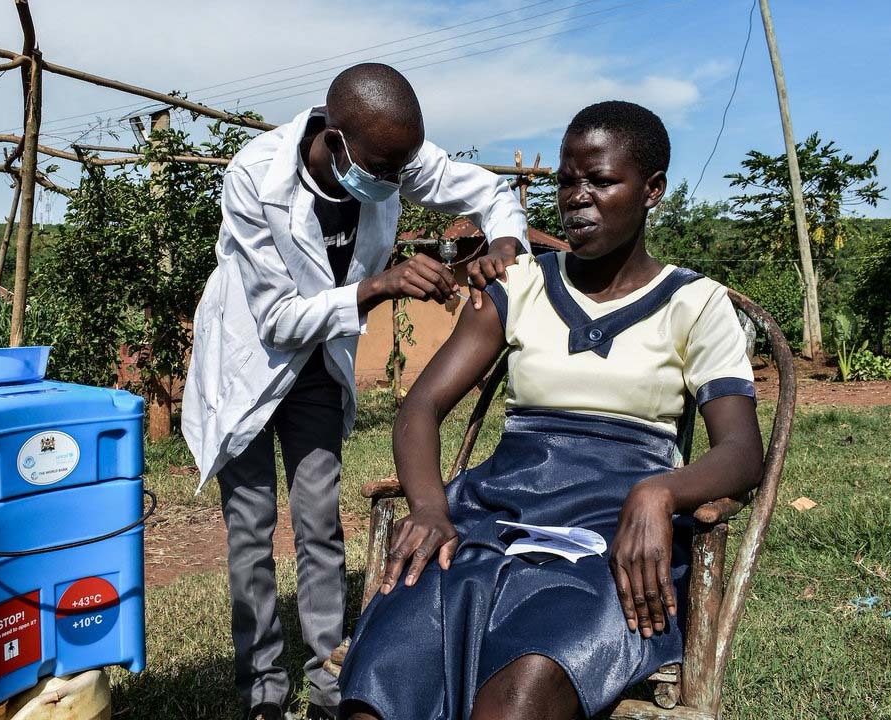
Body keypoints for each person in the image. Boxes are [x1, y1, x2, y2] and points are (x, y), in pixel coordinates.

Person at [337, 101, 765, 720]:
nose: (577, 198)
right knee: (385, 678)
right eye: (567, 181)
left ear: (653, 191)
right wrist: (431, 509)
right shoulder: (520, 285)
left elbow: (741, 452)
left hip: (611, 537)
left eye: (600, 180)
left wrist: (658, 493)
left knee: (524, 690)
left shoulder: (694, 305)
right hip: (495, 514)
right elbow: (422, 406)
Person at [181, 62, 529, 720]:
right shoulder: (255, 177)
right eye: (383, 169)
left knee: (318, 525)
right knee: (251, 531)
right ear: (336, 142)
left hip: (317, 368)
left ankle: (326, 683)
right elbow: (279, 317)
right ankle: (260, 689)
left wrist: (504, 240)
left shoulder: (389, 155)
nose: (395, 184)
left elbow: (489, 190)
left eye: (403, 169)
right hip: (248, 367)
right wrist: (381, 285)